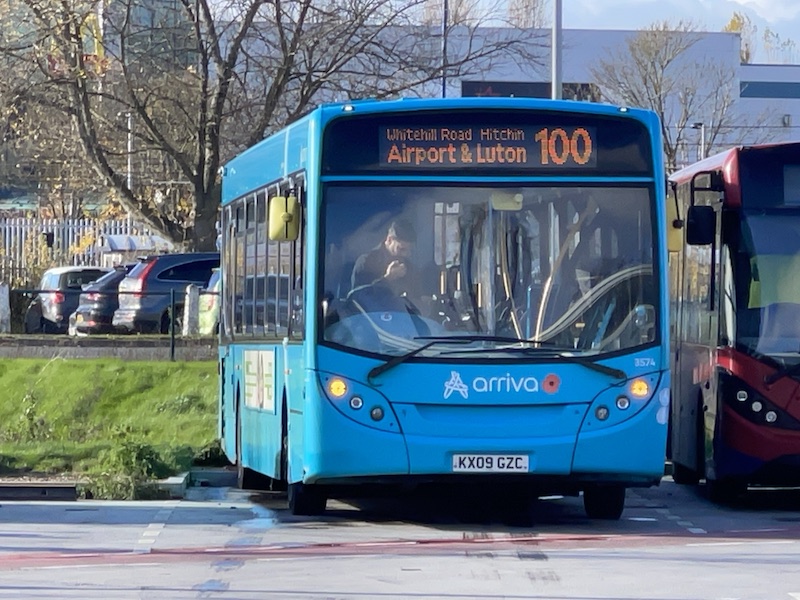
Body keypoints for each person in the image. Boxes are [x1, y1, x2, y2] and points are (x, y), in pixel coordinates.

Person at [350, 219, 417, 296]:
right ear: (389, 240)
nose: (406, 254)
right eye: (401, 249)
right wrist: (388, 278)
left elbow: (416, 297)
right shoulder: (366, 262)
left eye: (409, 250)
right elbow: (359, 298)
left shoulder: (409, 268)